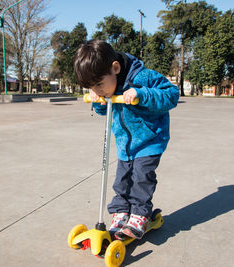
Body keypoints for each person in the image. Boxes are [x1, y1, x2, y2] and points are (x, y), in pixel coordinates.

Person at [73, 39, 179, 240]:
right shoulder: (106, 87)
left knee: (141, 177)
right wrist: (99, 102)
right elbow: (105, 110)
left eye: (99, 85)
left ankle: (139, 214)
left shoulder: (143, 77)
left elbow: (171, 95)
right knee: (121, 179)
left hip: (150, 140)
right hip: (125, 144)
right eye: (91, 88)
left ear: (115, 67)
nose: (97, 90)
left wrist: (142, 93)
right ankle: (121, 211)